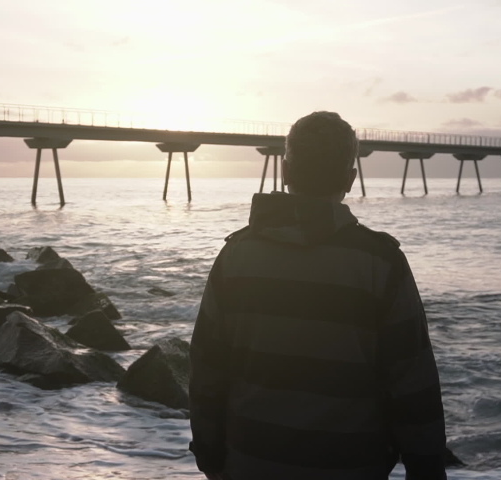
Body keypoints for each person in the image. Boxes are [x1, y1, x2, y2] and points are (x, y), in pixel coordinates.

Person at [189, 111, 447, 480]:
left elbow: (206, 368)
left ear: (285, 171)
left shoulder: (236, 256)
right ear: (351, 179)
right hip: (351, 468)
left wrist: (209, 455)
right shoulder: (380, 262)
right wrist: (427, 468)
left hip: (250, 464)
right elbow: (413, 381)